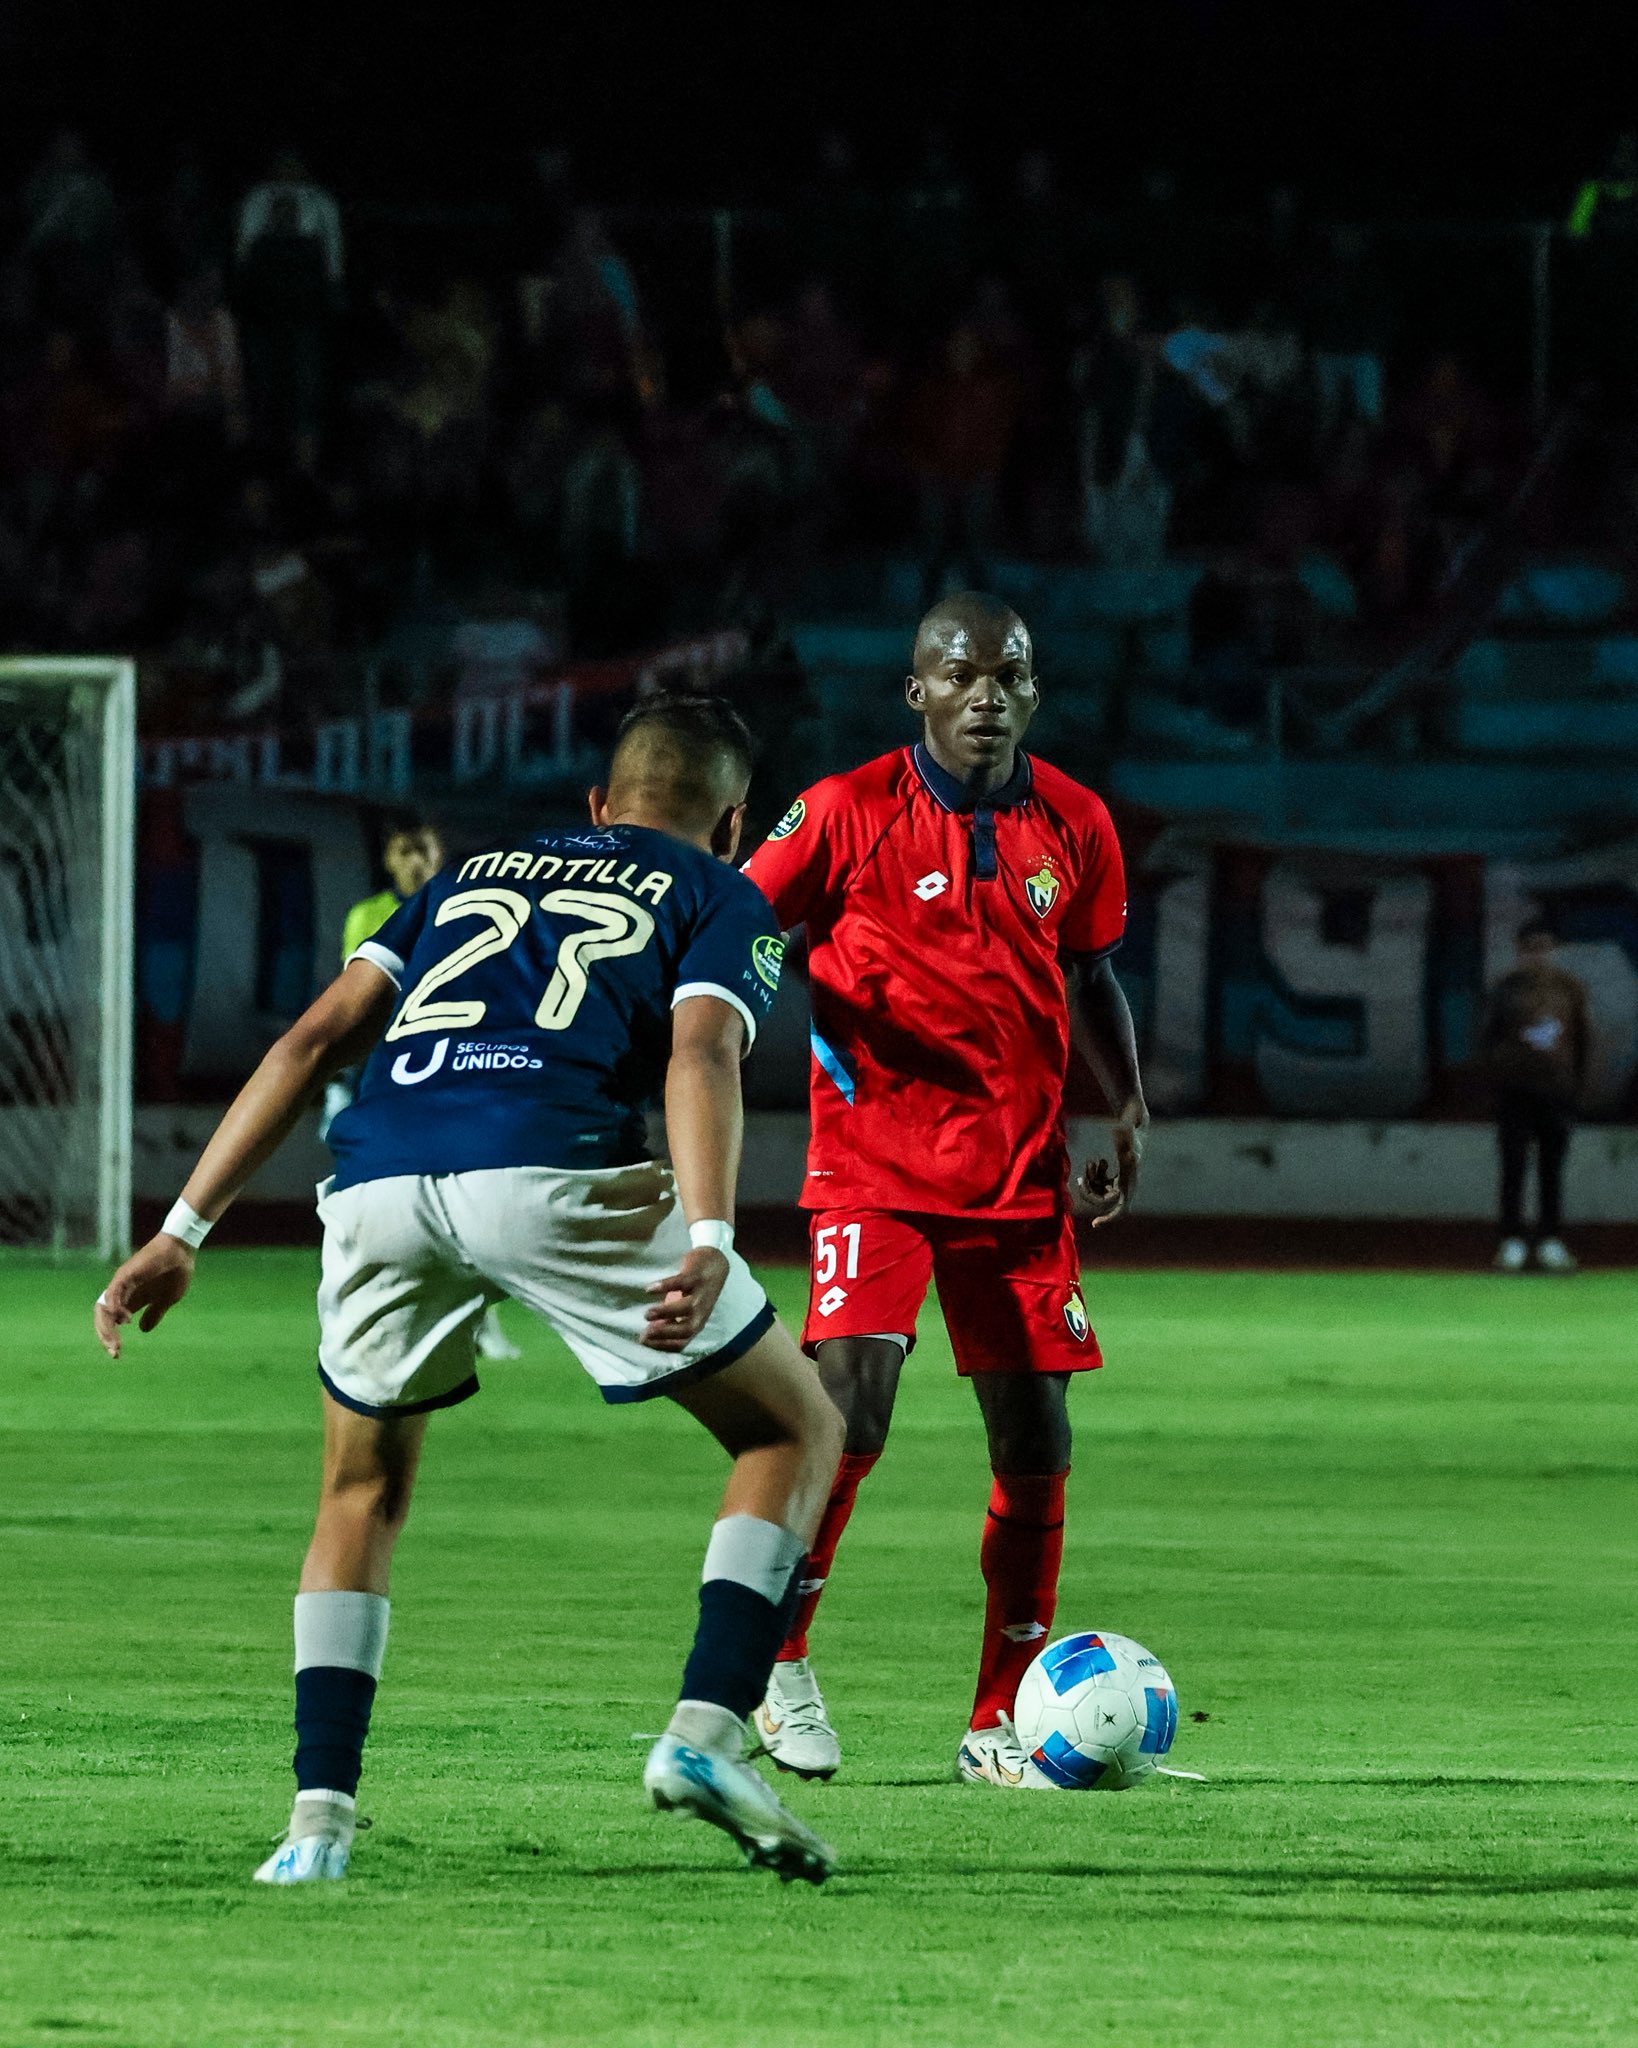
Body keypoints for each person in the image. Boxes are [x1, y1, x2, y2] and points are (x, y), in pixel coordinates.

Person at [93, 696, 846, 1886]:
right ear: (735, 819)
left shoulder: (471, 875)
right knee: (794, 1421)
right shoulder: (721, 892)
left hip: (381, 1179)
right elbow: (699, 1051)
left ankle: (316, 1825)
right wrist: (709, 1230)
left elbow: (309, 1040)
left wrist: (184, 1225)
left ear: (598, 803)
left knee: (360, 1488)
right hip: (548, 1163)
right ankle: (705, 1733)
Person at [741, 592, 1148, 1786]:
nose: (988, 694)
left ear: (1034, 691)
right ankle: (779, 1662)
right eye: (961, 674)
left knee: (1036, 1439)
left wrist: (1119, 1107)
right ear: (916, 691)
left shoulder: (1076, 820)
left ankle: (996, 1720)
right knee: (850, 1405)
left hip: (1020, 1176)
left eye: (1009, 675)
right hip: (872, 1165)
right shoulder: (844, 809)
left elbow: (1091, 975)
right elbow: (741, 925)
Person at [1481, 919, 1591, 1274]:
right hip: (1514, 1094)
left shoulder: (1571, 989)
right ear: (1520, 952)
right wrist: (1494, 1080)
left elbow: (1583, 1041)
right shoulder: (1505, 990)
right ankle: (1511, 1240)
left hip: (1556, 1094)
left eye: (1546, 947)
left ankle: (1550, 1241)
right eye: (1532, 948)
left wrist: (1577, 1087)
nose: (1539, 955)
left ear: (1555, 951)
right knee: (1513, 1168)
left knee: (1551, 1170)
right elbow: (1487, 1039)